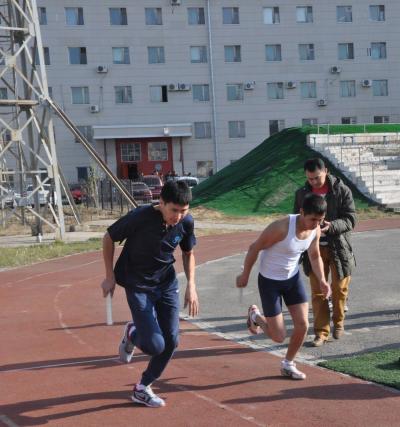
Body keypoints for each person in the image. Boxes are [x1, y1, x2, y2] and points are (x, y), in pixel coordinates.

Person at [101, 180, 199, 407]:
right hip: (138, 285)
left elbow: (188, 253)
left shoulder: (186, 222)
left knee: (171, 341)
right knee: (155, 346)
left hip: (166, 284)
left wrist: (192, 285)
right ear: (161, 203)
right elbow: (108, 237)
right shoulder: (140, 217)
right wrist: (109, 276)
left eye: (184, 211)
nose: (178, 216)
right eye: (174, 210)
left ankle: (142, 388)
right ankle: (133, 333)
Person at [236, 194, 331, 380]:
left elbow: (314, 255)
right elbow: (254, 247)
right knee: (278, 336)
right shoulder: (281, 228)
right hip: (270, 282)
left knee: (303, 325)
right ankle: (255, 316)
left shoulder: (315, 230)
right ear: (302, 212)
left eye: (320, 220)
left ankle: (288, 364)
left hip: (292, 280)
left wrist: (322, 280)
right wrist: (245, 274)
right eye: (313, 219)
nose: (316, 224)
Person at [294, 158, 356, 347]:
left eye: (317, 178)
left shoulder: (342, 190)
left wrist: (332, 226)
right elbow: (296, 219)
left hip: (339, 248)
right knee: (318, 292)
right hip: (313, 250)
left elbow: (351, 219)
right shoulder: (302, 194)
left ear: (326, 171)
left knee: (339, 289)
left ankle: (339, 322)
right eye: (310, 179)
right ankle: (321, 333)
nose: (314, 182)